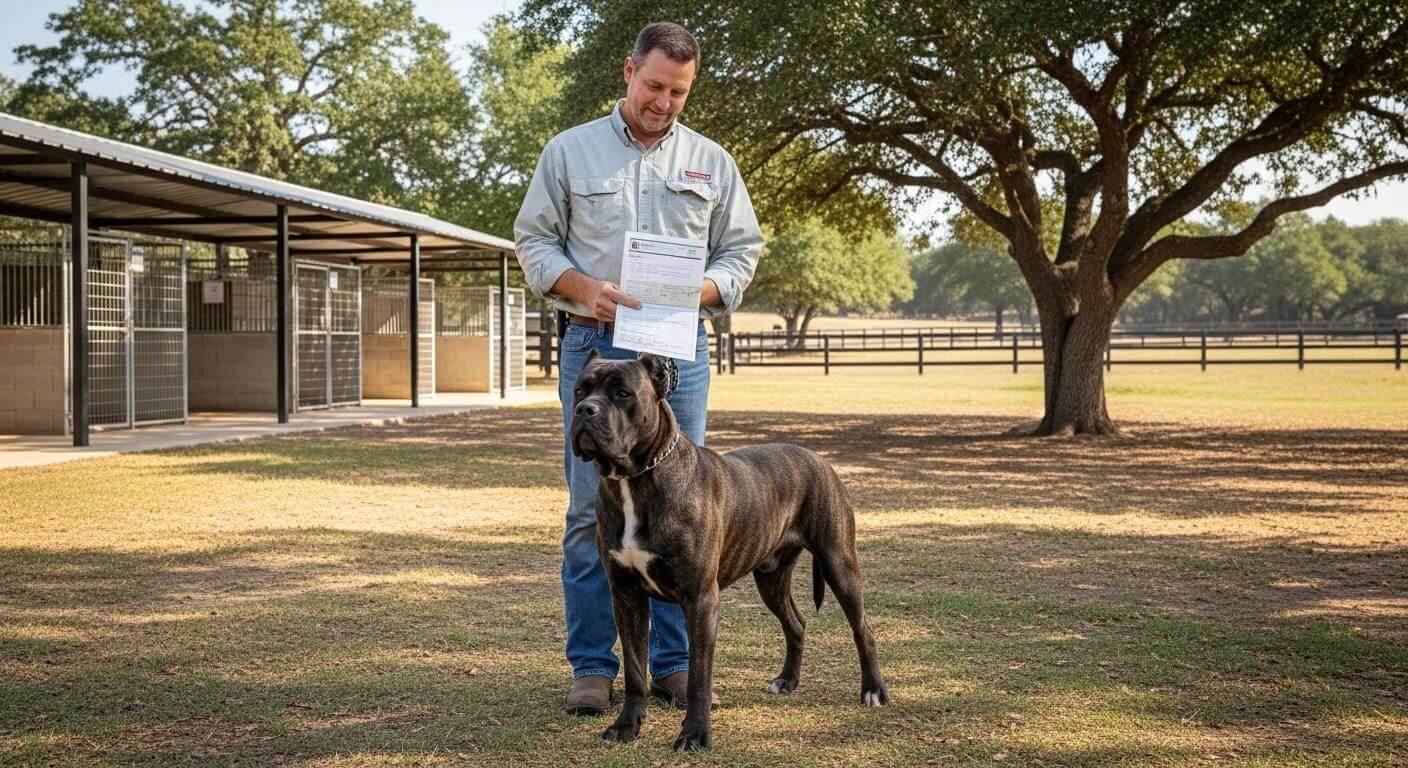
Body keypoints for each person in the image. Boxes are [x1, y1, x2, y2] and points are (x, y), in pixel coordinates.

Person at [514, 21, 763, 716]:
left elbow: (740, 255)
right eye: (654, 85)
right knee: (585, 513)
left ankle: (674, 666)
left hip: (676, 356)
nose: (664, 102)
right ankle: (593, 669)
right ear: (628, 71)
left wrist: (699, 292)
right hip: (593, 350)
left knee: (687, 514)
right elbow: (533, 241)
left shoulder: (713, 162)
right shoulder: (569, 152)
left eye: (679, 92)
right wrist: (582, 287)